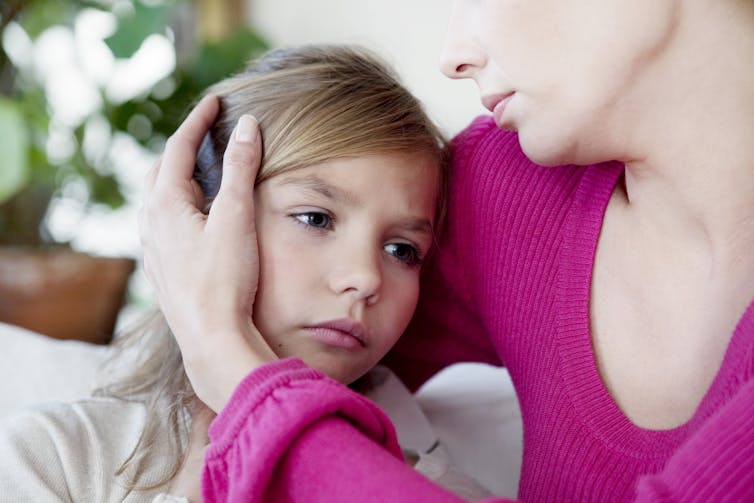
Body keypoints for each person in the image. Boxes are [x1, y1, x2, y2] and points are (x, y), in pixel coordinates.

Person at [139, 0, 754, 501]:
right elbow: (294, 343)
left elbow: (242, 365)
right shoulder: (505, 190)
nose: (453, 57)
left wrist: (231, 363)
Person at [0, 45, 493, 502]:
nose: (365, 278)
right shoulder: (55, 458)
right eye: (316, 218)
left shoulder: (432, 487)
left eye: (402, 249)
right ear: (196, 223)